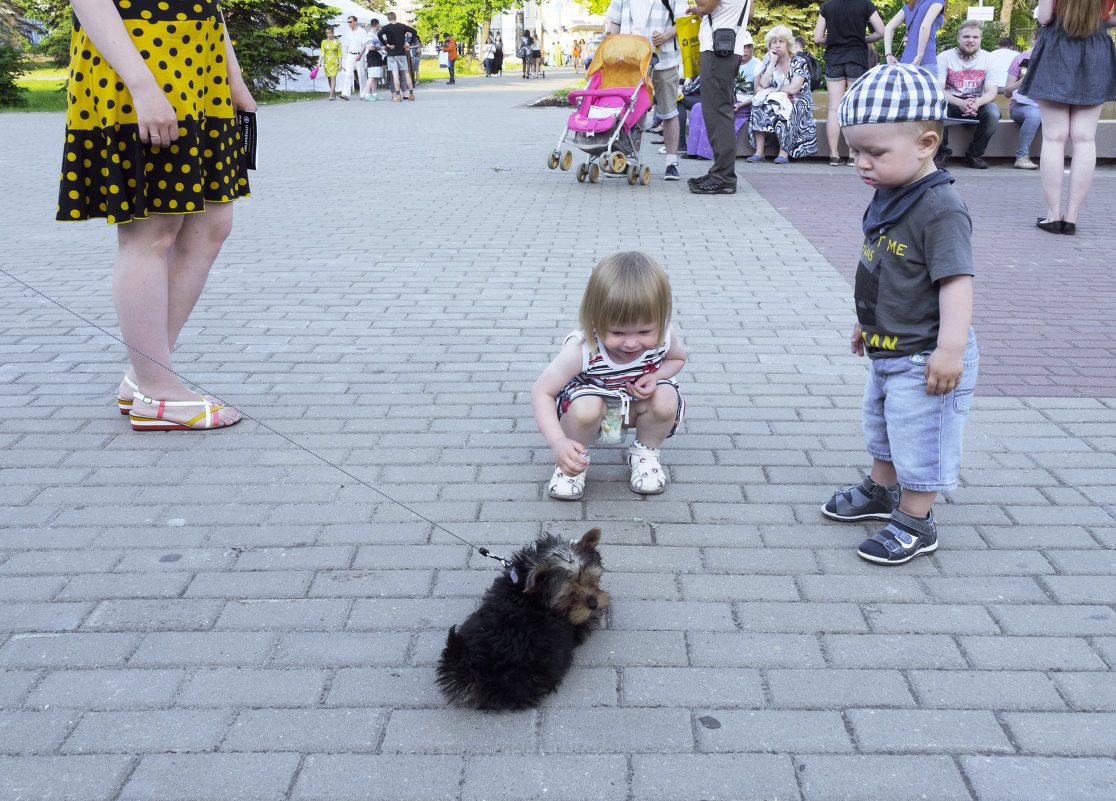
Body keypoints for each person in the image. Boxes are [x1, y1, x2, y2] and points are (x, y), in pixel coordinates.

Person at [58, 0, 253, 431]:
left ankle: (145, 377)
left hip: (200, 68)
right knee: (151, 231)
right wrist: (141, 84)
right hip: (141, 59)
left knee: (212, 225)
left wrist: (233, 77)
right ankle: (158, 391)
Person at [826, 64, 979, 565]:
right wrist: (866, 322)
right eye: (854, 151)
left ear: (926, 143)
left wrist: (950, 349)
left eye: (874, 153)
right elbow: (886, 270)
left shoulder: (941, 207)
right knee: (885, 424)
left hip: (926, 356)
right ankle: (881, 489)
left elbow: (956, 282)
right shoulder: (892, 192)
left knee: (920, 435)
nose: (861, 163)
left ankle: (916, 520)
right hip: (889, 345)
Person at [532, 252, 687, 501]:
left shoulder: (665, 336)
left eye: (645, 331)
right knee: (586, 407)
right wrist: (558, 443)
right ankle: (572, 461)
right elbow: (542, 392)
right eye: (616, 332)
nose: (631, 343)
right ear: (595, 319)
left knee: (666, 396)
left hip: (634, 404)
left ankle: (644, 455)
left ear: (662, 317)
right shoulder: (583, 348)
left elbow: (678, 359)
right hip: (590, 411)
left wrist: (656, 376)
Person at [1021, 0, 1116, 235]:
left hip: (1057, 46)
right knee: (1085, 139)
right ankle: (1071, 218)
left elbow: (1044, 17)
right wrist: (1098, 21)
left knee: (1054, 138)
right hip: (1096, 48)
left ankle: (1053, 216)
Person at [605, 0, 686, 180]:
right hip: (631, 60)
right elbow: (614, 22)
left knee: (669, 111)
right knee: (633, 110)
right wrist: (609, 39)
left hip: (664, 59)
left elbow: (683, 21)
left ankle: (671, 163)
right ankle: (629, 161)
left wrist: (665, 36)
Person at [684, 0, 753, 194]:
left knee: (717, 113)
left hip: (717, 51)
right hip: (730, 48)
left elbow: (706, 6)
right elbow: (749, 13)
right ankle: (721, 172)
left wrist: (700, 9)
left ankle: (723, 177)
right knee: (720, 111)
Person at [813, 0, 886, 165]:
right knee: (854, 107)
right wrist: (863, 39)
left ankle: (834, 155)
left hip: (834, 58)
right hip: (857, 58)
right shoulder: (866, 4)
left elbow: (817, 38)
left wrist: (832, 40)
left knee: (834, 108)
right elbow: (881, 31)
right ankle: (853, 155)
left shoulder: (828, 6)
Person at [747, 24, 818, 164]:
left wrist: (771, 90)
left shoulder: (799, 61)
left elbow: (793, 89)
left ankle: (783, 153)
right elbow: (763, 84)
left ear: (788, 44)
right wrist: (773, 61)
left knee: (783, 107)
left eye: (781, 42)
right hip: (777, 99)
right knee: (758, 106)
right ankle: (759, 152)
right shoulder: (770, 63)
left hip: (798, 102)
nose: (777, 45)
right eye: (774, 42)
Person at [936, 20, 1001, 169]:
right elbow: (939, 90)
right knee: (937, 108)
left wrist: (977, 103)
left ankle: (974, 155)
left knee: (993, 112)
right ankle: (942, 153)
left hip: (976, 103)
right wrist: (960, 103)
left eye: (975, 37)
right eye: (966, 36)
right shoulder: (944, 57)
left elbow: (991, 92)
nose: (970, 40)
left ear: (980, 39)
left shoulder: (989, 59)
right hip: (951, 102)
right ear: (958, 38)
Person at [686, 40, 761, 159]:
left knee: (715, 113)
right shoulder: (728, 62)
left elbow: (758, 93)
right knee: (698, 108)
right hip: (725, 99)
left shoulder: (757, 64)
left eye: (748, 47)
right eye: (742, 47)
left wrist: (740, 105)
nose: (745, 50)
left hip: (745, 104)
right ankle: (692, 151)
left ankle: (707, 153)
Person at [1004, 33, 1040, 170]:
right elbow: (1007, 92)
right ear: (1033, 39)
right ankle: (1022, 157)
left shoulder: (1056, 59)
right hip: (1021, 107)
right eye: (1041, 41)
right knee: (1034, 114)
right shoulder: (1020, 59)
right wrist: (1024, 80)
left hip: (1047, 107)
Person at [883, 0, 945, 75]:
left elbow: (888, 27)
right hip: (925, 61)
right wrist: (919, 56)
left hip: (905, 62)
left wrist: (888, 55)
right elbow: (924, 26)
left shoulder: (909, 6)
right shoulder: (937, 2)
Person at [380, 11, 418, 101]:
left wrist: (386, 44)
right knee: (406, 73)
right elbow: (414, 32)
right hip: (401, 53)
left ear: (388, 18)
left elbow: (379, 34)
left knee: (395, 75)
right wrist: (409, 43)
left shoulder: (386, 28)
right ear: (395, 17)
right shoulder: (402, 26)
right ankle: (411, 94)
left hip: (392, 54)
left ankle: (397, 95)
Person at [338, 15, 368, 100]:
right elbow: (347, 45)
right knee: (348, 74)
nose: (349, 23)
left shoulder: (362, 31)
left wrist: (360, 54)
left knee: (361, 74)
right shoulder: (348, 33)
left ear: (355, 22)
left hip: (359, 54)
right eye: (348, 22)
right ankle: (346, 93)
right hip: (351, 54)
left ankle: (363, 93)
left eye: (350, 22)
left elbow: (364, 45)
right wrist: (348, 54)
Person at [360, 19, 386, 101]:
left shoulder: (375, 35)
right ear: (377, 25)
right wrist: (380, 47)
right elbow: (370, 47)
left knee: (376, 77)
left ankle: (374, 93)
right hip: (372, 57)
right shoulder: (370, 35)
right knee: (371, 76)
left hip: (377, 57)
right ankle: (367, 94)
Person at [317, 28, 342, 100]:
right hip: (327, 63)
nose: (329, 35)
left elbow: (339, 54)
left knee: (333, 77)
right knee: (329, 78)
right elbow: (322, 52)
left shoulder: (337, 42)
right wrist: (319, 63)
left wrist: (340, 64)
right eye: (327, 33)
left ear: (333, 33)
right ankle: (333, 92)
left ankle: (331, 94)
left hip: (335, 62)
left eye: (330, 33)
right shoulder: (324, 42)